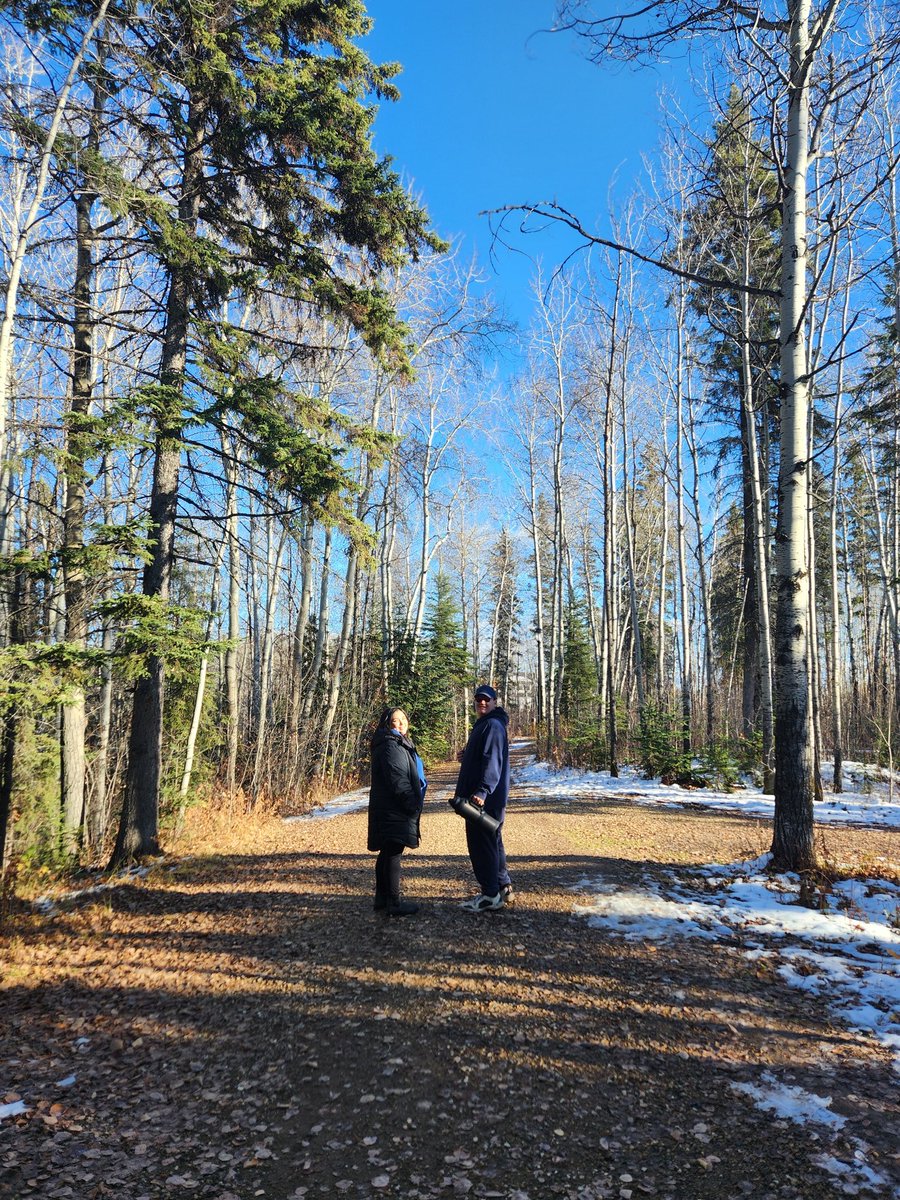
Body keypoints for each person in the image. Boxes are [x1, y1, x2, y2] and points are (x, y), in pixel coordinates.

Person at [454, 684, 512, 912]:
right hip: (489, 797)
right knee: (492, 839)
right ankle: (502, 886)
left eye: (487, 700)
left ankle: (490, 895)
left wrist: (482, 791)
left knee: (481, 844)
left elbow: (493, 761)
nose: (482, 703)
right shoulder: (487, 724)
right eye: (479, 700)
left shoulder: (493, 725)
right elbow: (483, 757)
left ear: (495, 701)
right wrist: (468, 756)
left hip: (486, 798)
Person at [368, 707, 427, 917]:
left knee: (387, 852)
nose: (400, 723)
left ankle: (381, 899)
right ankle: (393, 902)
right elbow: (398, 779)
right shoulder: (391, 745)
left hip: (389, 807)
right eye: (395, 721)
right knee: (393, 852)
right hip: (393, 808)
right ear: (387, 724)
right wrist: (411, 804)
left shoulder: (396, 743)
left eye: (403, 719)